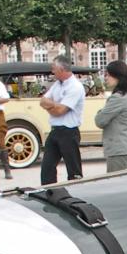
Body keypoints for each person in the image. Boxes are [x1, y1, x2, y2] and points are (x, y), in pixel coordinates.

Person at [38, 54, 84, 185]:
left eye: (54, 69)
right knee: (47, 168)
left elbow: (60, 111)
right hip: (55, 130)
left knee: (74, 170)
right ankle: (49, 192)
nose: (52, 72)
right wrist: (54, 105)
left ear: (62, 69)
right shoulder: (57, 85)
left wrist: (51, 105)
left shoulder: (75, 87)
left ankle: (77, 193)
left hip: (69, 131)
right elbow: (42, 101)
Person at [94, 61, 127, 174]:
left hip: (120, 149)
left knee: (115, 184)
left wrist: (100, 111)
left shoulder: (118, 98)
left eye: (108, 75)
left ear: (117, 76)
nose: (106, 78)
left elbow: (100, 120)